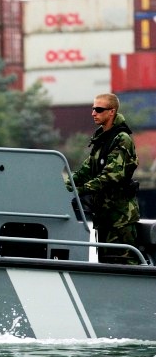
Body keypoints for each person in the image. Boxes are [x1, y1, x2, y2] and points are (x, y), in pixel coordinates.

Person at [67, 93, 140, 264]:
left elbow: (111, 175)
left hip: (120, 219)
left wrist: (79, 191)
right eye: (93, 109)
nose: (93, 113)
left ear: (112, 112)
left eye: (99, 109)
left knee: (124, 267)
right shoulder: (101, 139)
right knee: (106, 266)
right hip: (104, 217)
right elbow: (85, 171)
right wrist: (62, 186)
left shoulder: (122, 139)